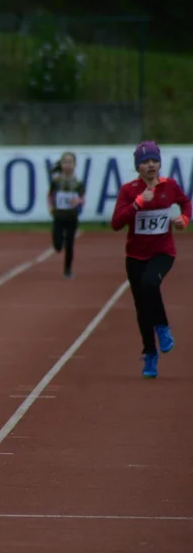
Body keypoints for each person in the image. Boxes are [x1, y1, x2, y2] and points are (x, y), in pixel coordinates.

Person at [110, 141, 191, 379]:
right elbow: (116, 224)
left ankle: (163, 328)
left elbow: (185, 203)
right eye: (145, 162)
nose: (151, 165)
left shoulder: (170, 186)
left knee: (150, 284)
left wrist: (184, 219)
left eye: (154, 161)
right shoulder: (129, 190)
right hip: (135, 255)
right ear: (138, 166)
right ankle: (150, 353)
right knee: (141, 307)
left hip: (163, 252)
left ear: (160, 163)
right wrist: (137, 204)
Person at [47, 151, 86, 278]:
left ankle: (67, 269)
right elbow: (50, 195)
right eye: (65, 162)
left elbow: (83, 198)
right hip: (58, 216)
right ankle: (59, 243)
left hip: (71, 216)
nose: (67, 165)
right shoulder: (56, 181)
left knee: (70, 243)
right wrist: (50, 207)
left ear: (74, 165)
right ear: (62, 164)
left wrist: (78, 201)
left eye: (70, 162)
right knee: (58, 244)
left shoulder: (78, 183)